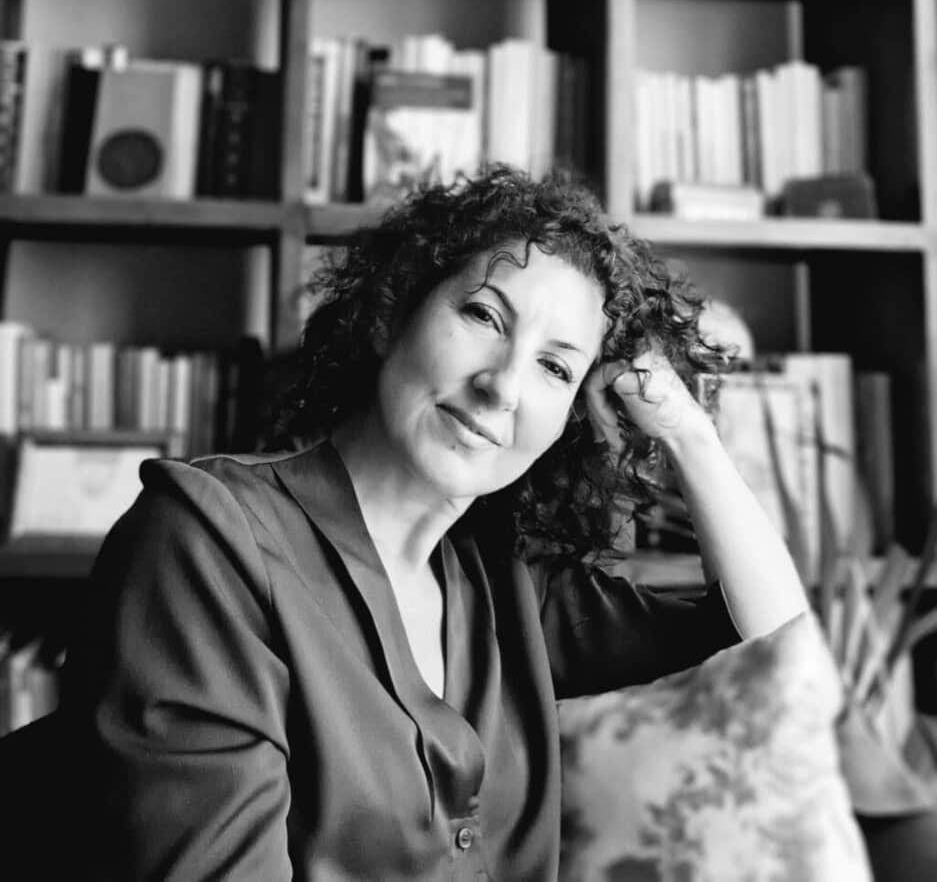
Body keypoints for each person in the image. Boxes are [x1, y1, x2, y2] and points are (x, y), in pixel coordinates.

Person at [60, 165, 808, 880]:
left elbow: (774, 652)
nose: (503, 387)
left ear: (571, 418)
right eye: (483, 316)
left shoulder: (506, 580)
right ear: (392, 316)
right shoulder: (207, 538)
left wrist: (687, 434)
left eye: (555, 368)